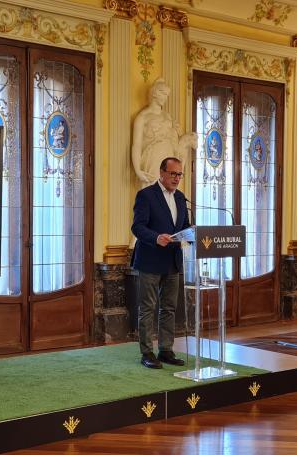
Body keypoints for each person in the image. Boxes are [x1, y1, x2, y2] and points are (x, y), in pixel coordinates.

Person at [131, 157, 190, 369]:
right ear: (162, 173)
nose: (176, 178)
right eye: (173, 174)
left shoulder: (181, 198)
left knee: (169, 308)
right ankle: (147, 352)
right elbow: (137, 227)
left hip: (173, 261)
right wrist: (156, 237)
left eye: (179, 174)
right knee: (147, 308)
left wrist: (190, 234)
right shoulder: (146, 195)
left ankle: (166, 350)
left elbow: (184, 226)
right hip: (150, 259)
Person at [131, 79, 198, 187]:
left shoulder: (168, 117)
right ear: (155, 93)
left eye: (167, 95)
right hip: (153, 158)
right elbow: (136, 145)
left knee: (169, 192)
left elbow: (177, 140)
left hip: (169, 156)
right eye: (163, 93)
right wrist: (138, 170)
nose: (165, 98)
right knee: (154, 192)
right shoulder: (142, 117)